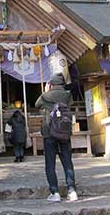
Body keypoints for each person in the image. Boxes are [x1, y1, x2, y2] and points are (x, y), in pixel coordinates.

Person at [35, 73, 78, 202]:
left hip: (49, 132)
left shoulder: (45, 96)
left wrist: (45, 91)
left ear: (51, 84)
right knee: (67, 162)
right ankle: (72, 190)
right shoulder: (67, 95)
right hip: (64, 132)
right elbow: (70, 103)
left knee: (50, 164)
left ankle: (55, 192)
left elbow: (37, 104)